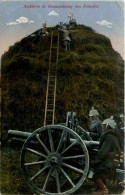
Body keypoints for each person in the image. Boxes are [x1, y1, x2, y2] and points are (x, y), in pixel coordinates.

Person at [93, 116, 123, 194]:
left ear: (107, 125)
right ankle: (102, 186)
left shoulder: (108, 136)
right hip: (114, 160)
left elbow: (103, 152)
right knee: (100, 169)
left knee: (94, 171)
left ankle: (103, 189)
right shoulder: (115, 135)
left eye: (104, 125)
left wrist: (96, 161)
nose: (103, 127)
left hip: (110, 161)